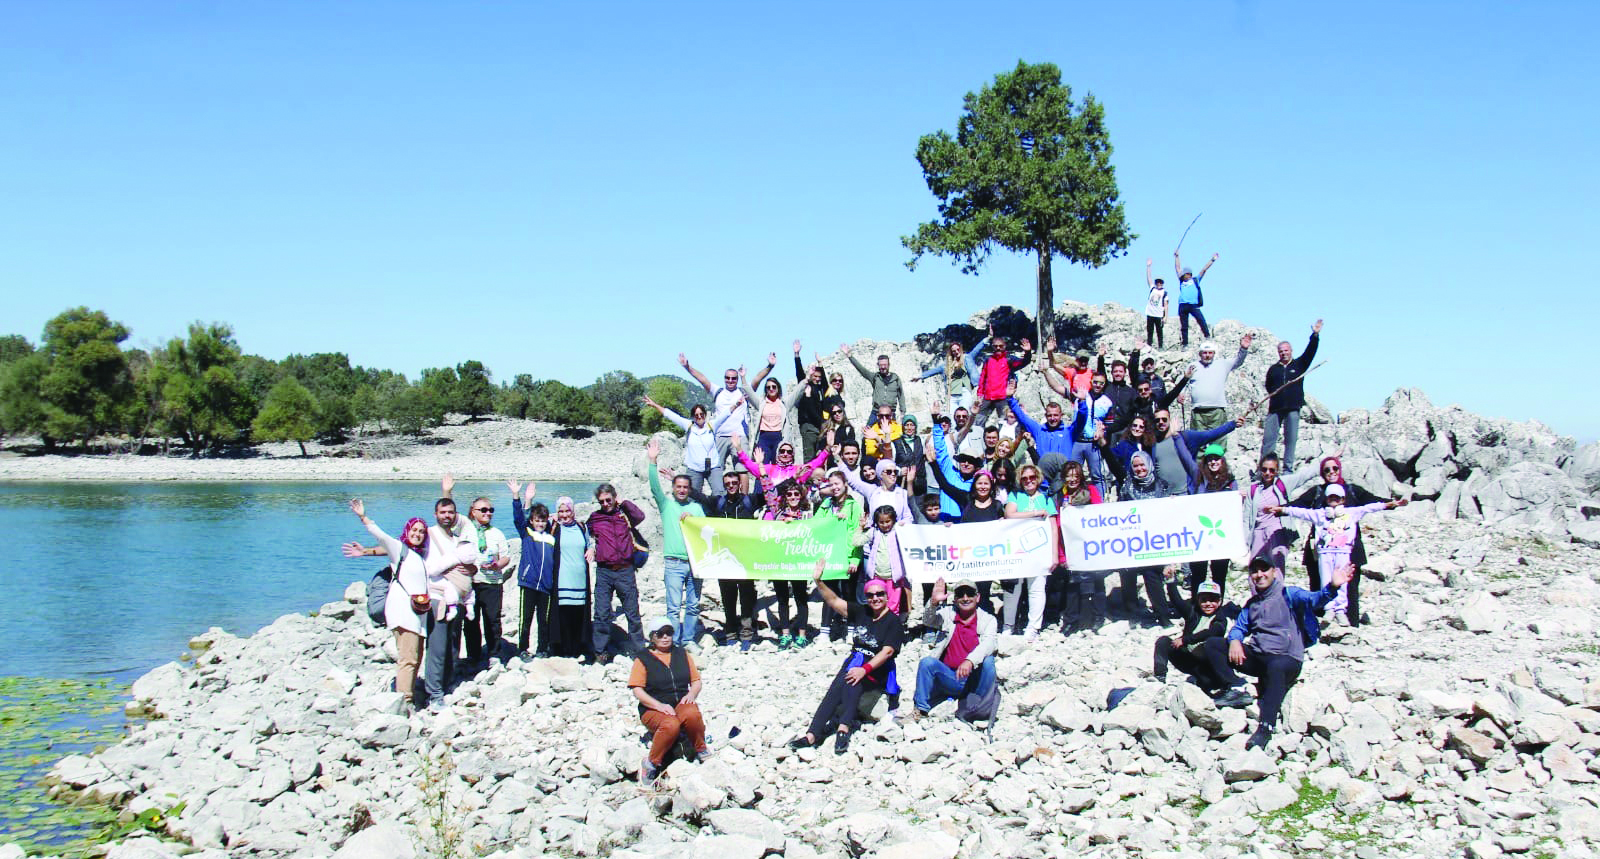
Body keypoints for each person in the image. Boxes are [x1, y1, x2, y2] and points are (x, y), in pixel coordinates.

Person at [1206, 558, 1352, 750]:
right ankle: (1236, 688)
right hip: (1259, 657)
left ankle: (1266, 727)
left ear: (1274, 572)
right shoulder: (1252, 604)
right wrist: (1234, 640)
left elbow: (1315, 599)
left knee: (1275, 667)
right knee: (1214, 644)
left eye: (1264, 570)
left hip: (1287, 658)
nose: (1259, 575)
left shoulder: (1290, 594)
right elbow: (1239, 628)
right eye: (1255, 571)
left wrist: (1332, 587)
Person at [348, 501, 468, 710]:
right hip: (403, 612)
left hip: (416, 614)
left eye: (421, 531)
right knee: (408, 659)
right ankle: (404, 703)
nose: (418, 534)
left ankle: (408, 696)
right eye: (414, 530)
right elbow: (383, 538)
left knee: (415, 656)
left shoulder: (419, 555)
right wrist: (363, 517)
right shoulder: (400, 549)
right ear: (407, 531)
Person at [790, 559, 905, 754]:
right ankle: (813, 733)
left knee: (853, 681)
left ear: (886, 596)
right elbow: (834, 601)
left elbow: (887, 652)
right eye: (870, 595)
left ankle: (843, 727)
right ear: (866, 597)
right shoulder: (863, 612)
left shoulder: (893, 622)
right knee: (837, 688)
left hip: (878, 669)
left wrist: (865, 669)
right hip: (856, 661)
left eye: (880, 594)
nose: (875, 598)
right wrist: (818, 582)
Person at [1266, 486, 1408, 622]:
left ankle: (1340, 610)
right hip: (1325, 553)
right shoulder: (1319, 514)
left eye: (1337, 498)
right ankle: (1329, 609)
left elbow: (1370, 507)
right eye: (1331, 497)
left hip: (1343, 552)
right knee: (1326, 580)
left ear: (1343, 500)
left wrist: (1390, 504)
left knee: (1342, 581)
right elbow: (1300, 512)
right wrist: (1282, 509)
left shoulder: (1352, 513)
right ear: (1326, 499)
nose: (1334, 500)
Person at [1292, 456, 1383, 627]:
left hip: (1349, 550)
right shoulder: (1317, 492)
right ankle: (1319, 629)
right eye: (1327, 470)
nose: (1331, 472)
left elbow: (1373, 501)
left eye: (1335, 468)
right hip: (1321, 549)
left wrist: (1391, 503)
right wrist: (1278, 509)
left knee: (1351, 587)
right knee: (1319, 585)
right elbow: (1297, 507)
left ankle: (1350, 627)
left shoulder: (1352, 490)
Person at [630, 617, 708, 786]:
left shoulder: (681, 653)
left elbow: (696, 681)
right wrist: (658, 705)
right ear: (652, 637)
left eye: (669, 633)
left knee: (692, 714)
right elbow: (637, 689)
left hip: (679, 701)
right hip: (653, 707)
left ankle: (701, 748)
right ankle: (651, 763)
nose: (665, 637)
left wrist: (692, 694)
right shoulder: (642, 658)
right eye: (660, 634)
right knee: (670, 724)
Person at [907, 578, 998, 721]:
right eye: (960, 594)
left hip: (974, 680)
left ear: (978, 597)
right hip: (951, 676)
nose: (965, 598)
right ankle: (920, 710)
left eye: (970, 594)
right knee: (927, 663)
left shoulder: (988, 620)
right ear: (955, 599)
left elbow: (989, 644)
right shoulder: (948, 613)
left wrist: (970, 661)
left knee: (989, 661)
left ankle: (979, 704)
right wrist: (933, 603)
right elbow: (929, 621)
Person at [647, 439, 707, 647]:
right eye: (678, 487)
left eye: (685, 487)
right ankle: (673, 643)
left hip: (694, 563)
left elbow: (707, 532)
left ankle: (688, 639)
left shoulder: (698, 508)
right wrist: (652, 461)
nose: (682, 490)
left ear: (690, 489)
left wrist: (694, 519)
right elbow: (655, 487)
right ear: (673, 488)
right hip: (673, 563)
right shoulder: (666, 506)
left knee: (692, 605)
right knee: (673, 607)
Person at [679, 353, 773, 485]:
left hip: (740, 436)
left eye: (734, 378)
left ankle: (744, 501)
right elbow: (702, 379)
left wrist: (770, 366)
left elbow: (758, 379)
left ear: (737, 380)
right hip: (720, 436)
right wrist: (687, 367)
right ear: (724, 379)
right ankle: (719, 498)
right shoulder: (717, 391)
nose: (730, 381)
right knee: (716, 469)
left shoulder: (744, 392)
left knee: (742, 470)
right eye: (727, 378)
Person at [1104, 451, 1174, 624]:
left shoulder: (1161, 485)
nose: (1139, 469)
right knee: (1127, 571)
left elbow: (1169, 513)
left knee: (1152, 575)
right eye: (1135, 466)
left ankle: (1162, 614)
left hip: (1153, 539)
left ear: (1149, 465)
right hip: (1132, 539)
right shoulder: (1127, 486)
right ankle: (1132, 611)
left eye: (1142, 465)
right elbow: (1121, 511)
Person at [696, 471, 760, 648]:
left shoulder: (749, 501)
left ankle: (747, 634)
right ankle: (731, 632)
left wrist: (762, 470)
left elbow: (773, 494)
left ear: (740, 483)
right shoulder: (719, 503)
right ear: (724, 486)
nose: (731, 486)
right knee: (728, 599)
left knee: (747, 598)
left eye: (734, 482)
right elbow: (698, 497)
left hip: (745, 559)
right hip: (723, 560)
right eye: (727, 484)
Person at [587, 483, 648, 662]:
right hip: (605, 571)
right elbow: (585, 532)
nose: (605, 503)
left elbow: (640, 516)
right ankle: (601, 651)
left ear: (614, 497)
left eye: (608, 499)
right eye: (602, 501)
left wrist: (624, 503)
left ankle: (639, 650)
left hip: (625, 570)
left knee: (632, 612)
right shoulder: (595, 518)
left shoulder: (624, 514)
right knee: (602, 612)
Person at [1001, 464, 1057, 641]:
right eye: (1024, 478)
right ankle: (1008, 626)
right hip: (1017, 551)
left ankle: (1033, 628)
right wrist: (1035, 513)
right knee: (1013, 589)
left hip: (1039, 551)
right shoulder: (1015, 495)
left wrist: (1054, 554)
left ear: (1038, 478)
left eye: (1032, 477)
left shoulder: (1047, 497)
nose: (1028, 481)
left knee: (1036, 589)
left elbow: (1054, 527)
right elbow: (1010, 514)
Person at [643, 396, 740, 496]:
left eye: (701, 414)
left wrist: (737, 404)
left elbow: (725, 414)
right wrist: (654, 405)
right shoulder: (688, 425)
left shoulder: (712, 425)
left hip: (713, 467)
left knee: (720, 493)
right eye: (696, 415)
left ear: (705, 415)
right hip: (694, 468)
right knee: (692, 496)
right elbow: (670, 415)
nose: (699, 417)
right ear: (693, 416)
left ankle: (720, 511)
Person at [458, 495, 512, 672]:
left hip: (491, 582)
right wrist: (447, 491)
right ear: (473, 512)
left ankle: (494, 654)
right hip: (471, 582)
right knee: (471, 620)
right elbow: (449, 517)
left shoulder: (497, 533)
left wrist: (497, 565)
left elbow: (506, 556)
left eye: (491, 510)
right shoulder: (465, 529)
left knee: (492, 620)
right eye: (483, 510)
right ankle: (473, 654)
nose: (488, 513)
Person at [1244, 453, 1320, 574]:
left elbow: (1304, 476)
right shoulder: (1253, 489)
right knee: (1255, 568)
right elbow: (1246, 518)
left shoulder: (1283, 483)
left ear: (1277, 470)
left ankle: (1277, 593)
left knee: (1277, 568)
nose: (1268, 473)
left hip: (1277, 531)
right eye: (1264, 469)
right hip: (1258, 532)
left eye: (1271, 470)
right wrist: (1246, 541)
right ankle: (1257, 593)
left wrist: (1327, 461)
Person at [1154, 578, 1234, 690]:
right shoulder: (1193, 612)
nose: (1208, 604)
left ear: (1220, 601)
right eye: (1204, 600)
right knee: (1163, 641)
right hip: (1187, 657)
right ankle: (1159, 676)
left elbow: (1210, 632)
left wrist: (1185, 640)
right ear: (1198, 600)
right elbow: (1177, 601)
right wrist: (1171, 581)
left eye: (1213, 600)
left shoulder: (1221, 619)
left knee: (1208, 685)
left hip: (1204, 664)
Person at [1262, 320, 1323, 466]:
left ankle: (1288, 468)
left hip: (1293, 408)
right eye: (1281, 351)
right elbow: (1268, 385)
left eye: (1286, 350)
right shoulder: (1273, 369)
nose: (1284, 353)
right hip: (1275, 409)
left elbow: (1310, 352)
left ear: (1291, 351)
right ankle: (1264, 469)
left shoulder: (1299, 365)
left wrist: (1314, 335)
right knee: (1269, 441)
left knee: (1291, 440)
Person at [1055, 462, 1106, 635]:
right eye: (1069, 475)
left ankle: (1097, 617)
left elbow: (1100, 514)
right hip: (1071, 547)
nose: (1072, 479)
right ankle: (1071, 620)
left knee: (1097, 582)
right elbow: (1058, 526)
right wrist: (1062, 556)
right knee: (1073, 585)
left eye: (1076, 476)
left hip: (1092, 545)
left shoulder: (1090, 491)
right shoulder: (1060, 497)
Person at [509, 481, 555, 659]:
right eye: (537, 520)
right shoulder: (527, 534)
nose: (540, 524)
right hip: (528, 583)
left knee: (543, 620)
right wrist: (520, 498)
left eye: (543, 520)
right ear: (532, 521)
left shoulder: (552, 538)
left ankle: (542, 649)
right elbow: (518, 518)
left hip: (546, 586)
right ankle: (522, 649)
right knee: (525, 619)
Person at [1186, 444, 1237, 595]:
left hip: (1220, 534)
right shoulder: (1198, 480)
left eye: (1216, 459)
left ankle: (1217, 610)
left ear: (1222, 461)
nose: (1213, 462)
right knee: (1198, 574)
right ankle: (1197, 607)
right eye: (1210, 459)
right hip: (1200, 535)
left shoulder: (1231, 482)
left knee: (1219, 575)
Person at [1188, 334, 1253, 439]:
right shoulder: (1192, 366)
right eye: (1205, 353)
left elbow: (1238, 361)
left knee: (1218, 441)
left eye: (1210, 353)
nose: (1207, 355)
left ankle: (1217, 457)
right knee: (1198, 441)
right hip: (1198, 411)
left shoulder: (1223, 364)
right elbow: (1185, 383)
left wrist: (1244, 348)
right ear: (1200, 354)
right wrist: (1180, 395)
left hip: (1217, 411)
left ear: (1214, 354)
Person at [1004, 397, 1073, 489]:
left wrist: (1081, 402)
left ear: (1061, 415)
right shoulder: (1039, 430)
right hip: (1043, 482)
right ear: (1045, 416)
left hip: (1063, 480)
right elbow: (1023, 418)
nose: (1052, 418)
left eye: (1056, 415)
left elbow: (1081, 419)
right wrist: (1010, 399)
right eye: (1049, 415)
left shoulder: (1069, 432)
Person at [972, 329, 1032, 428]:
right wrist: (979, 394)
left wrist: (1028, 352)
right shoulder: (988, 360)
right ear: (992, 347)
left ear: (1005, 346)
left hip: (1002, 398)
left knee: (1004, 424)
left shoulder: (1009, 359)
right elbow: (982, 378)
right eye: (996, 346)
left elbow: (1023, 362)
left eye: (1001, 346)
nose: (998, 348)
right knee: (978, 423)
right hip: (987, 397)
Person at [749, 372, 809, 464]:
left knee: (778, 464)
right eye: (768, 387)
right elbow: (749, 393)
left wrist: (807, 378)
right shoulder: (761, 403)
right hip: (763, 437)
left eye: (773, 386)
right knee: (762, 464)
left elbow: (796, 392)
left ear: (778, 388)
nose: (771, 389)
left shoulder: (784, 403)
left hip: (779, 437)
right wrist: (743, 377)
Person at [919, 338, 982, 413]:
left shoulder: (966, 358)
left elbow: (976, 350)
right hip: (952, 394)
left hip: (964, 391)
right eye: (954, 351)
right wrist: (920, 376)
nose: (956, 352)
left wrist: (987, 339)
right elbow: (934, 371)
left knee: (964, 414)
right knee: (952, 417)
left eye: (958, 349)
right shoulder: (947, 364)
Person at [1173, 250, 1218, 348]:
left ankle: (1207, 335)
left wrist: (1212, 260)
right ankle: (1185, 344)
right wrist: (1177, 257)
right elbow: (1177, 268)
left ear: (1190, 274)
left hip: (1193, 305)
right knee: (1184, 325)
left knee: (1201, 319)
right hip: (1183, 304)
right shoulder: (1181, 282)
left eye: (1187, 274)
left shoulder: (1195, 280)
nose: (1185, 276)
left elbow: (1204, 269)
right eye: (1185, 274)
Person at [794, 341, 830, 461]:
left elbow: (825, 383)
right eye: (815, 376)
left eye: (819, 377)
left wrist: (821, 363)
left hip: (819, 426)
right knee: (809, 457)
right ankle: (807, 479)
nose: (817, 379)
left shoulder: (820, 389)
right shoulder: (805, 386)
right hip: (809, 426)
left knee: (820, 457)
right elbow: (799, 373)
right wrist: (797, 355)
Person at [844, 346, 907, 416]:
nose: (883, 367)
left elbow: (901, 396)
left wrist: (903, 412)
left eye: (885, 365)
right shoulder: (874, 377)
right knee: (868, 427)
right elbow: (862, 370)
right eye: (881, 365)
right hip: (876, 412)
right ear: (878, 365)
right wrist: (850, 356)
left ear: (889, 365)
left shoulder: (896, 379)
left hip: (890, 413)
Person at [1144, 260, 1168, 348]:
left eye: (1160, 282)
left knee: (1159, 331)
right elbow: (1149, 278)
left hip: (1158, 314)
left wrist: (1165, 316)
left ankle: (1160, 346)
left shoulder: (1164, 292)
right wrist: (1148, 267)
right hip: (1150, 313)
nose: (1159, 284)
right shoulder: (1152, 289)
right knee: (1150, 330)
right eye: (1157, 282)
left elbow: (1166, 305)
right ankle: (1149, 345)